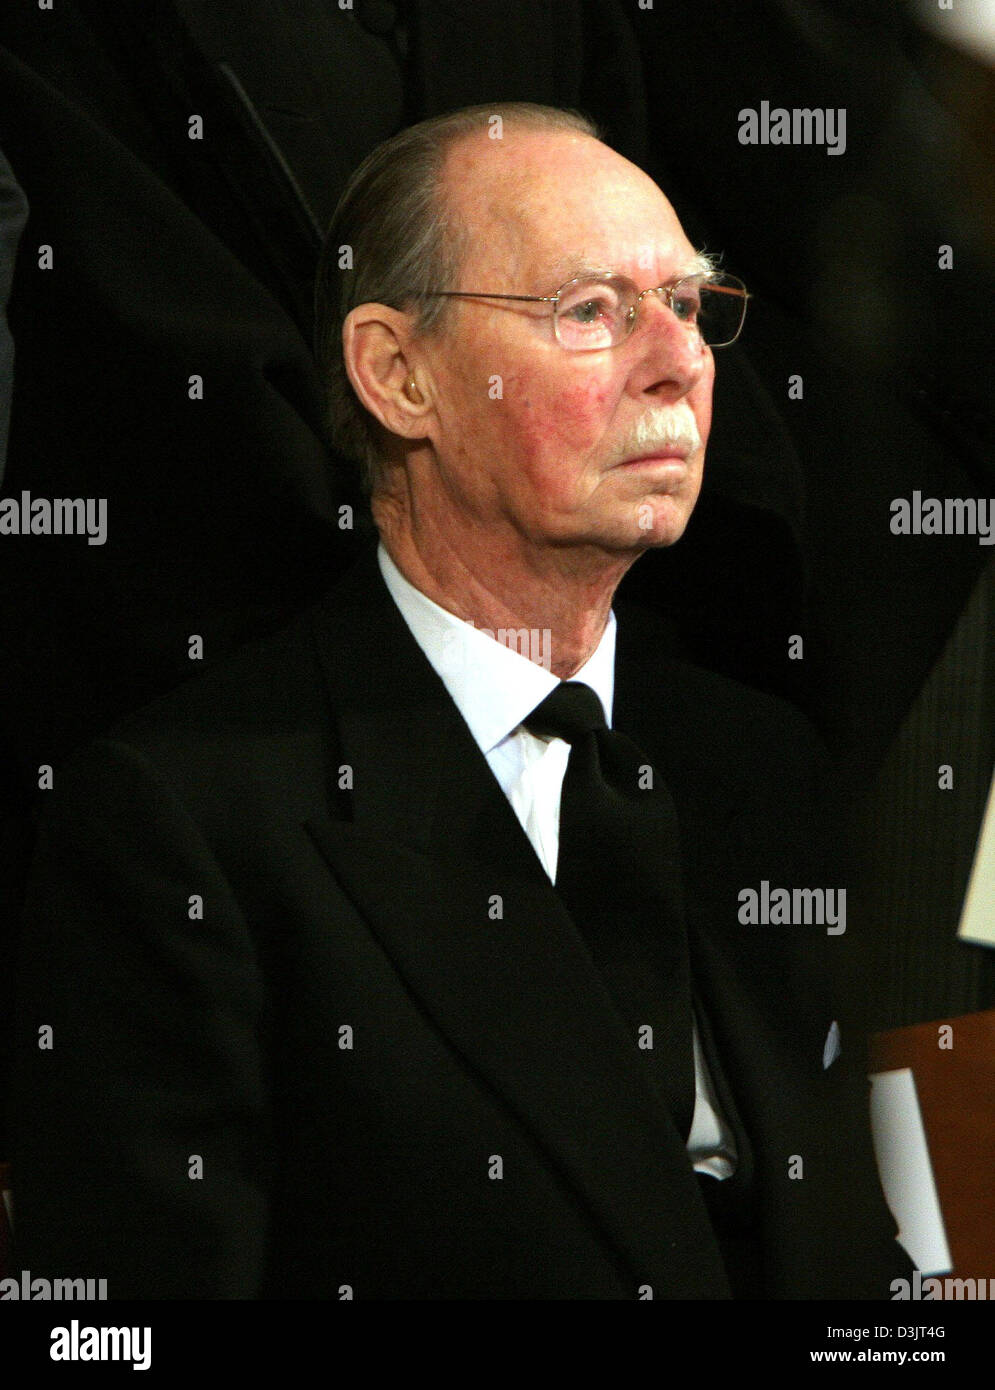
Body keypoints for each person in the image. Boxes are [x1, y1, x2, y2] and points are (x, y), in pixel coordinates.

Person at [11, 103, 910, 1300]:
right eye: (591, 310)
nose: (678, 360)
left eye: (688, 306)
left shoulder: (756, 762)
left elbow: (852, 1262)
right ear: (397, 375)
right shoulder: (185, 824)